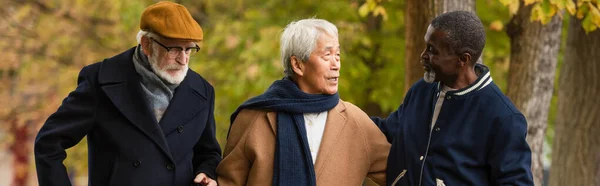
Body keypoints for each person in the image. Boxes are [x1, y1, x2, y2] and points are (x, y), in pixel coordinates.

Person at [34, 2, 221, 186]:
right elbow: (49, 144)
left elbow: (208, 153)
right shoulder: (100, 81)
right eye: (173, 49)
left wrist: (206, 172)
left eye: (189, 49)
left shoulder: (202, 91)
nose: (183, 59)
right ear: (146, 44)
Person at [216, 18, 390, 186]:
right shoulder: (253, 118)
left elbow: (402, 173)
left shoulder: (356, 121)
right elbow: (228, 181)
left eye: (337, 55)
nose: (336, 64)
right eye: (327, 55)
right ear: (297, 65)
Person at [371, 11, 534, 186]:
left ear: (463, 59)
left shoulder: (504, 118)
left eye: (432, 50)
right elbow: (388, 131)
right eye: (426, 47)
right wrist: (342, 113)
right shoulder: (421, 91)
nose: (423, 56)